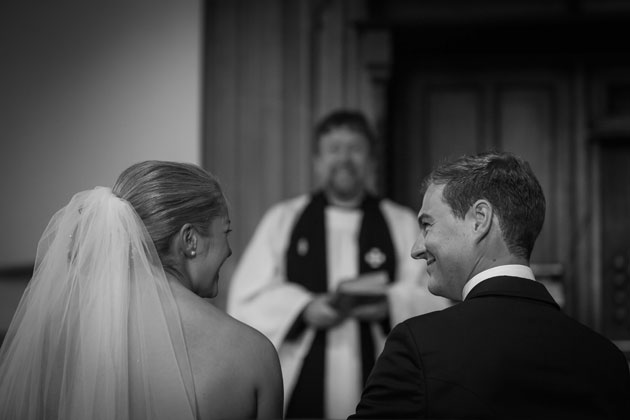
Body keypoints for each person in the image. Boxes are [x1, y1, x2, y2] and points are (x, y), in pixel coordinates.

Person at [350, 151, 630, 419]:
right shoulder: (607, 360)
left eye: (427, 225)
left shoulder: (418, 346)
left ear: (479, 220)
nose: (416, 248)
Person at [0, 161, 283, 420]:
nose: (230, 249)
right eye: (226, 232)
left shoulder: (58, 342)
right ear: (190, 240)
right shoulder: (252, 354)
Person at [227, 110, 450, 418]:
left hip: (385, 370)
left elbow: (437, 296)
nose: (344, 159)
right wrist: (303, 309)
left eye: (355, 149)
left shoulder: (400, 221)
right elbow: (245, 300)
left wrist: (391, 304)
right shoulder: (284, 219)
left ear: (371, 160)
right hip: (301, 382)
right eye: (334, 149)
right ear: (317, 160)